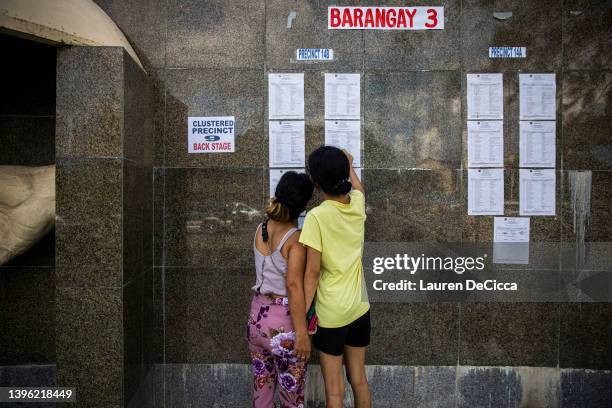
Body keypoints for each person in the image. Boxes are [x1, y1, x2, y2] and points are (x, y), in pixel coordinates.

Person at [300, 146, 371, 408]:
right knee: (359, 379)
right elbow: (359, 190)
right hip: (359, 308)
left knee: (334, 390)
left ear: (315, 182)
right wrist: (350, 164)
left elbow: (313, 272)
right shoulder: (357, 205)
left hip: (331, 314)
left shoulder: (316, 217)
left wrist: (302, 318)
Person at [246, 171, 314, 408]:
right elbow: (294, 286)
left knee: (261, 391)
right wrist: (302, 333)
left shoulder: (261, 227)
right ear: (303, 205)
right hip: (283, 324)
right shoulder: (295, 239)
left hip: (256, 317)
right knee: (291, 395)